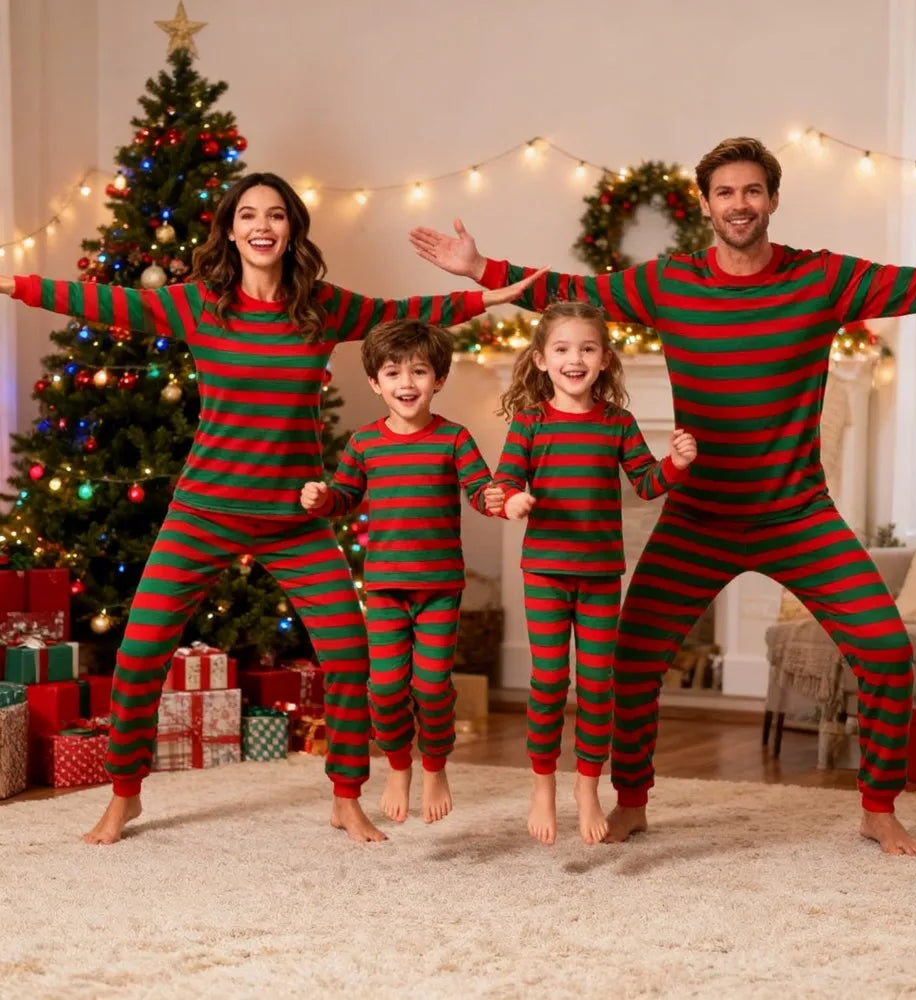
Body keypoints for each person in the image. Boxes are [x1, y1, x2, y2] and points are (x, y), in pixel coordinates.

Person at [410, 136, 916, 856]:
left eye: (753, 191)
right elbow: (579, 296)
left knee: (885, 650)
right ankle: (632, 801)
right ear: (707, 204)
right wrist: (482, 270)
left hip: (797, 516)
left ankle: (878, 807)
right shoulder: (671, 282)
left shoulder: (824, 280)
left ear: (773, 200)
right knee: (630, 661)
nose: (740, 204)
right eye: (725, 192)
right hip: (697, 518)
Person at [1, 171, 542, 846]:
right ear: (230, 229)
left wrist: (481, 298)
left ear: (291, 231)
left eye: (277, 215)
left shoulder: (318, 308)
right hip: (206, 509)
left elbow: (395, 312)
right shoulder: (200, 304)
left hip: (294, 517)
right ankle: (124, 796)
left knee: (349, 654)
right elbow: (103, 303)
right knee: (139, 654)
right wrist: (12, 283)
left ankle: (347, 795)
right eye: (249, 214)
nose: (263, 225)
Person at [487, 301, 696, 846]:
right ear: (540, 359)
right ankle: (541, 786)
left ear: (604, 359)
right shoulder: (531, 422)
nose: (574, 359)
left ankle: (587, 787)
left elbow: (649, 484)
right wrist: (511, 502)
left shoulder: (617, 423)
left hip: (602, 574)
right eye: (561, 349)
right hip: (546, 575)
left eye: (587, 348)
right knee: (551, 681)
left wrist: (677, 462)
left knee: (598, 685)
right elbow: (505, 481)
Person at [300, 318, 498, 826]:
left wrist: (496, 497)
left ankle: (435, 765)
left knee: (431, 688)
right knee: (385, 687)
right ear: (375, 382)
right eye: (393, 373)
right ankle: (398, 764)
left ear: (439, 380)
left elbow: (480, 490)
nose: (406, 383)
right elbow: (344, 498)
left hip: (438, 590)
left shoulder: (454, 439)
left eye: (419, 371)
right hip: (385, 588)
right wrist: (323, 498)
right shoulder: (365, 444)